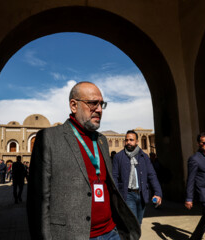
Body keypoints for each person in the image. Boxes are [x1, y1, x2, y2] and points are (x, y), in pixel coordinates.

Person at [27, 82, 140, 240]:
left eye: (102, 104)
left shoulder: (101, 140)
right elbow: (38, 200)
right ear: (74, 105)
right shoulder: (50, 138)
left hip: (110, 232)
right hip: (72, 234)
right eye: (93, 103)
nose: (99, 109)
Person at [112, 130, 162, 224]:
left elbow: (151, 175)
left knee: (138, 224)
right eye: (126, 140)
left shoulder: (144, 157)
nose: (128, 142)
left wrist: (158, 193)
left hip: (141, 194)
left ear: (137, 141)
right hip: (128, 195)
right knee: (132, 223)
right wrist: (117, 195)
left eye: (131, 140)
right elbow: (114, 176)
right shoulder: (118, 157)